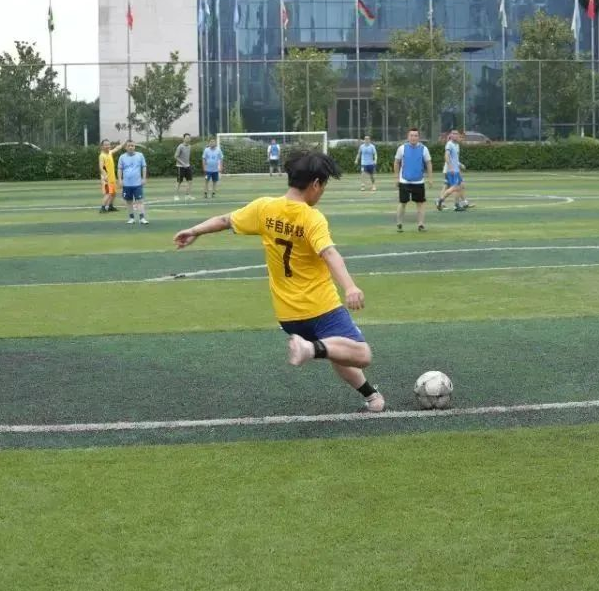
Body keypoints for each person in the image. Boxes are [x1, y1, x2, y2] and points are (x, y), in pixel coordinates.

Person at [172, 151, 385, 413]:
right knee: (361, 354)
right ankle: (310, 349)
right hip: (321, 307)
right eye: (324, 186)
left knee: (334, 349)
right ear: (315, 184)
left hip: (288, 317)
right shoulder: (311, 217)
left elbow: (226, 220)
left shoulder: (265, 208)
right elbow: (329, 253)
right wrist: (350, 286)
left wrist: (194, 230)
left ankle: (371, 396)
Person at [394, 127, 433, 233]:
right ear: (408, 137)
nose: (413, 137)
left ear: (418, 137)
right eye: (411, 135)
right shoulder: (402, 148)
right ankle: (399, 224)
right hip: (404, 181)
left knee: (420, 203)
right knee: (402, 202)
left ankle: (421, 225)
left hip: (419, 181)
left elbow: (428, 163)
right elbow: (396, 162)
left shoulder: (424, 149)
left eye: (415, 135)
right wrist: (396, 178)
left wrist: (430, 178)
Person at [116, 140, 149, 224]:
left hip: (137, 183)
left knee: (140, 201)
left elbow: (144, 167)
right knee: (129, 202)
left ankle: (142, 218)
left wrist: (144, 178)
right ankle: (131, 218)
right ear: (126, 147)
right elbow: (119, 169)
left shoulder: (140, 155)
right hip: (126, 184)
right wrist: (119, 179)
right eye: (129, 146)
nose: (131, 147)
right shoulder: (122, 157)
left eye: (132, 145)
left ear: (134, 147)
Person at [436, 130, 469, 212]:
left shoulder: (456, 145)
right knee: (455, 187)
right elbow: (446, 156)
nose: (455, 135)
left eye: (456, 134)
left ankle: (456, 205)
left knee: (460, 186)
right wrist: (450, 168)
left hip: (456, 170)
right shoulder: (449, 144)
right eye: (453, 134)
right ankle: (440, 200)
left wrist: (460, 165)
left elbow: (455, 159)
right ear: (451, 135)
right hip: (452, 171)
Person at [98, 139, 124, 213]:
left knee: (113, 193)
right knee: (108, 193)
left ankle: (110, 206)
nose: (107, 146)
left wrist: (124, 143)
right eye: (105, 145)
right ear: (102, 146)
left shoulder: (109, 152)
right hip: (107, 178)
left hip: (112, 178)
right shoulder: (102, 156)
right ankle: (102, 208)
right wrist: (105, 176)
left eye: (108, 144)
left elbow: (117, 148)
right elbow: (101, 167)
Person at [173, 133, 194, 201]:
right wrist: (183, 163)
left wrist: (187, 164)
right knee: (179, 181)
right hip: (180, 166)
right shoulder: (180, 146)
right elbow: (175, 156)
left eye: (189, 138)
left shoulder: (190, 146)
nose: (188, 139)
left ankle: (187, 195)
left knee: (190, 181)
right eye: (187, 138)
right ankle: (176, 196)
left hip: (188, 166)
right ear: (183, 139)